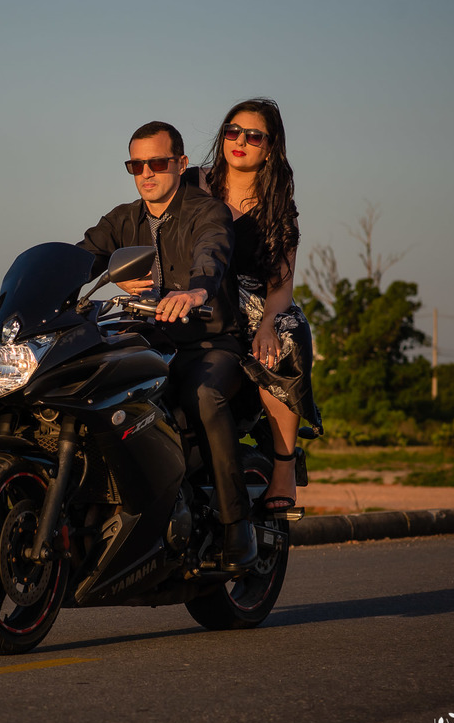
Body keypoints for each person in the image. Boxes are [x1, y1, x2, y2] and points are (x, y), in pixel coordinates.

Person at [78, 120, 256, 571]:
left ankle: (238, 525)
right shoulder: (121, 219)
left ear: (180, 164)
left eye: (157, 162)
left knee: (204, 396)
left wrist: (195, 292)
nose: (146, 173)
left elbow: (211, 255)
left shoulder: (205, 212)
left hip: (209, 343)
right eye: (135, 165)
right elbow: (79, 256)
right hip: (146, 343)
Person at [189, 98, 323, 513]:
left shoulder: (279, 208)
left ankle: (283, 468)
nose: (240, 141)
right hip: (195, 292)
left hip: (254, 303)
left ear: (270, 147)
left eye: (253, 135)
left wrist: (267, 324)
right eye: (232, 131)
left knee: (283, 341)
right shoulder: (191, 182)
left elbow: (281, 287)